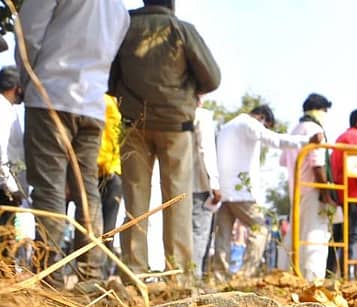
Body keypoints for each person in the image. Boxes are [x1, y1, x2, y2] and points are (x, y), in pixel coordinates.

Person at [17, 0, 129, 290]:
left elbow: (27, 35)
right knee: (87, 190)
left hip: (49, 96)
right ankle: (91, 275)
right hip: (92, 106)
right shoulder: (118, 10)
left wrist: (28, 82)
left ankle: (49, 274)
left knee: (49, 189)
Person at [110, 0, 220, 285]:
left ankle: (134, 274)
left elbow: (109, 78)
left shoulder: (124, 26)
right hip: (176, 127)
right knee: (177, 201)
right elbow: (213, 77)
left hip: (134, 123)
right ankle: (179, 277)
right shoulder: (182, 30)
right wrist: (188, 89)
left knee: (135, 200)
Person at [212, 105, 321, 284]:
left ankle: (218, 279)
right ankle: (244, 276)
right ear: (262, 118)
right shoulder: (249, 124)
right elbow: (275, 140)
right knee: (260, 229)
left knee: (223, 236)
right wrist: (307, 140)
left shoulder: (226, 127)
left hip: (224, 191)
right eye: (266, 125)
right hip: (242, 192)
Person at [281, 93, 334, 282]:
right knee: (315, 234)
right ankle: (313, 279)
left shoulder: (294, 129)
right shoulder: (315, 129)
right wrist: (325, 191)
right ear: (320, 110)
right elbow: (317, 162)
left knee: (295, 232)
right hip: (312, 189)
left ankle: (286, 274)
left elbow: (282, 160)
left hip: (295, 189)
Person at [328, 109, 357, 278]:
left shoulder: (341, 137)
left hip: (340, 194)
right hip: (353, 194)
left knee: (338, 237)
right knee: (352, 236)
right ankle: (350, 276)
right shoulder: (356, 137)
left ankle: (332, 275)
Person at [191, 100, 219, 279]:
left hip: (175, 184)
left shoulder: (172, 113)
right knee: (199, 232)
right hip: (199, 184)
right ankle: (193, 277)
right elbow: (205, 149)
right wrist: (214, 184)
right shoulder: (202, 116)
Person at [97, 94, 123, 277]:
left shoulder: (99, 99)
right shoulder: (108, 103)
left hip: (103, 171)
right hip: (106, 171)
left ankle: (96, 272)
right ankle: (100, 273)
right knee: (107, 227)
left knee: (99, 227)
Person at [0, 66, 24, 262]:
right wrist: (11, 187)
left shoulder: (10, 110)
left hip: (9, 186)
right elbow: (1, 151)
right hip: (4, 188)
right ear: (17, 87)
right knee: (4, 238)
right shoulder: (2, 109)